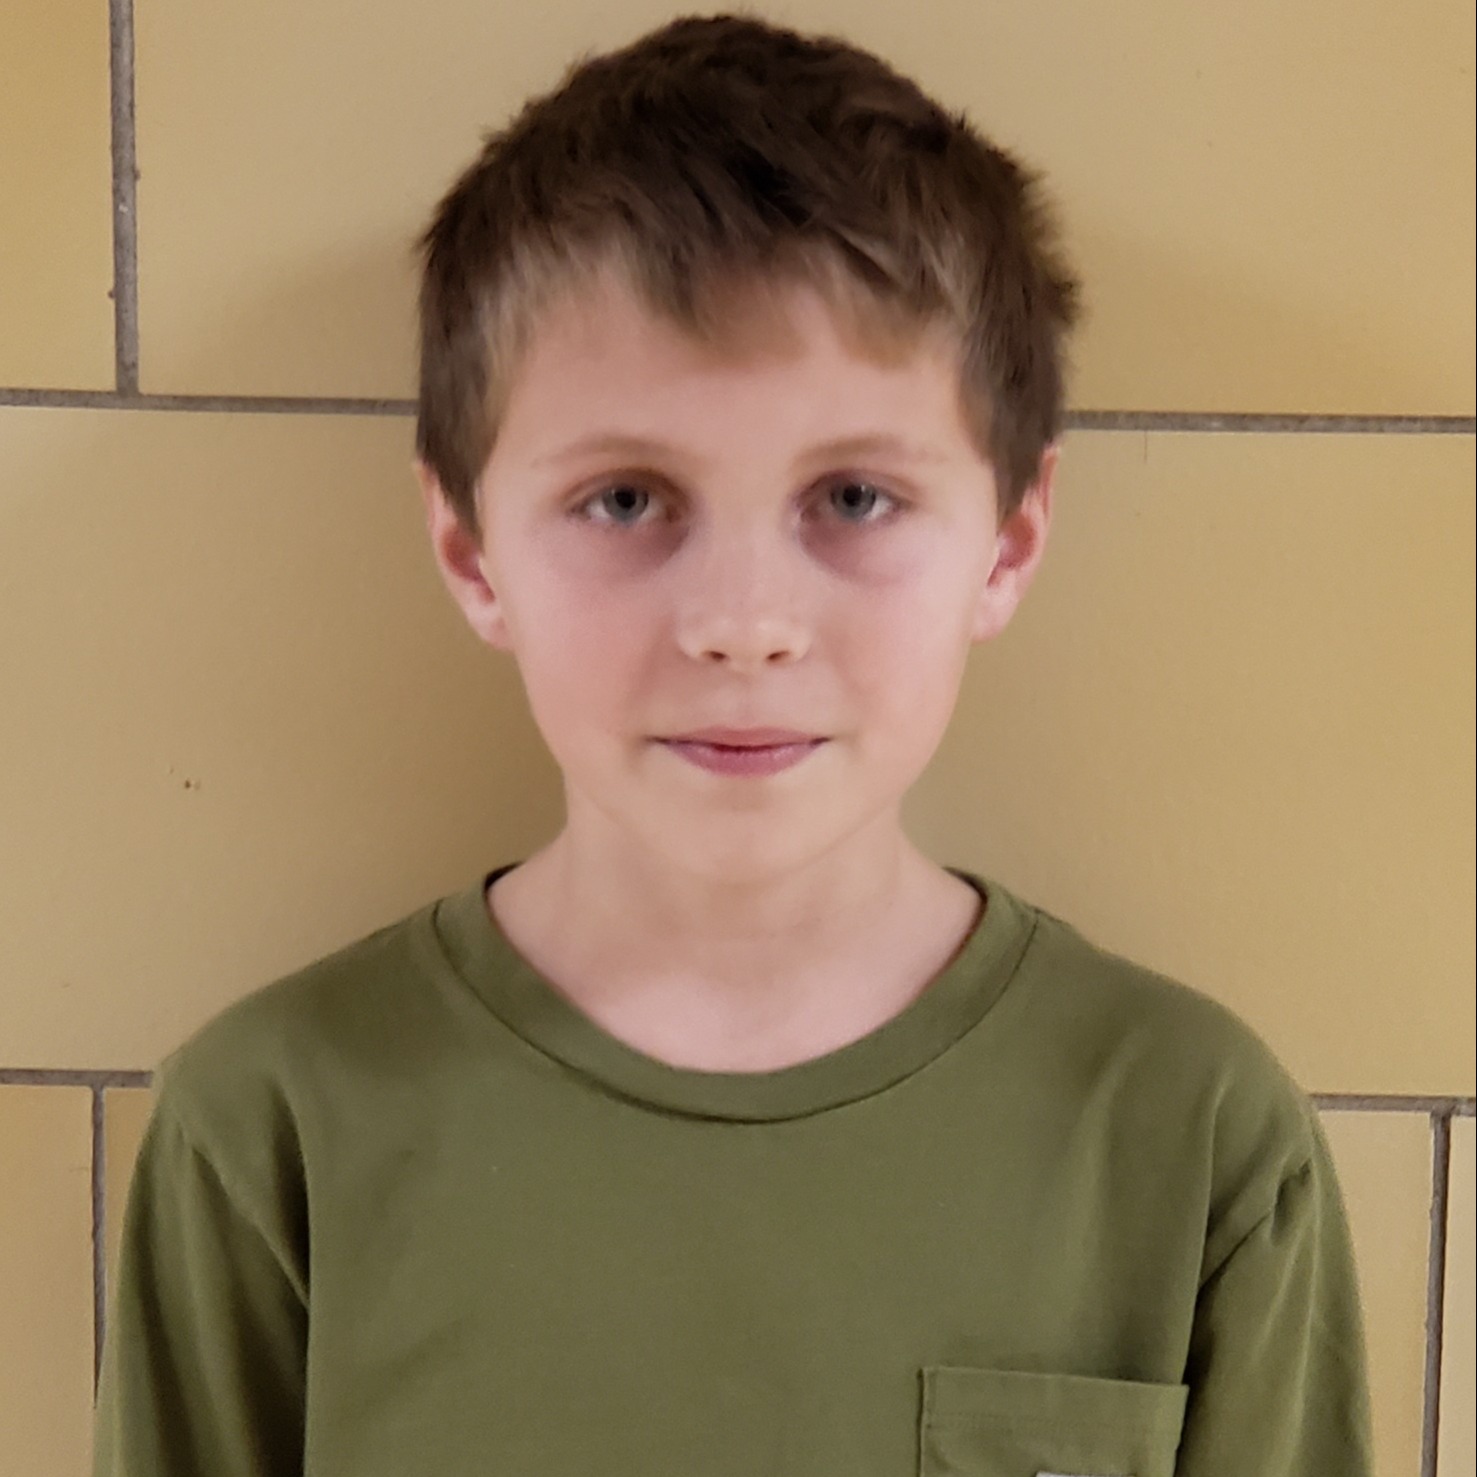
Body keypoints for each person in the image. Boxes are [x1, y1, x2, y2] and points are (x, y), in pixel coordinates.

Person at [92, 12, 1375, 1475]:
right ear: (469, 550)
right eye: (628, 500)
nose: (744, 624)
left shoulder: (1190, 1135)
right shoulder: (272, 1130)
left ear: (1009, 541)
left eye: (855, 498)